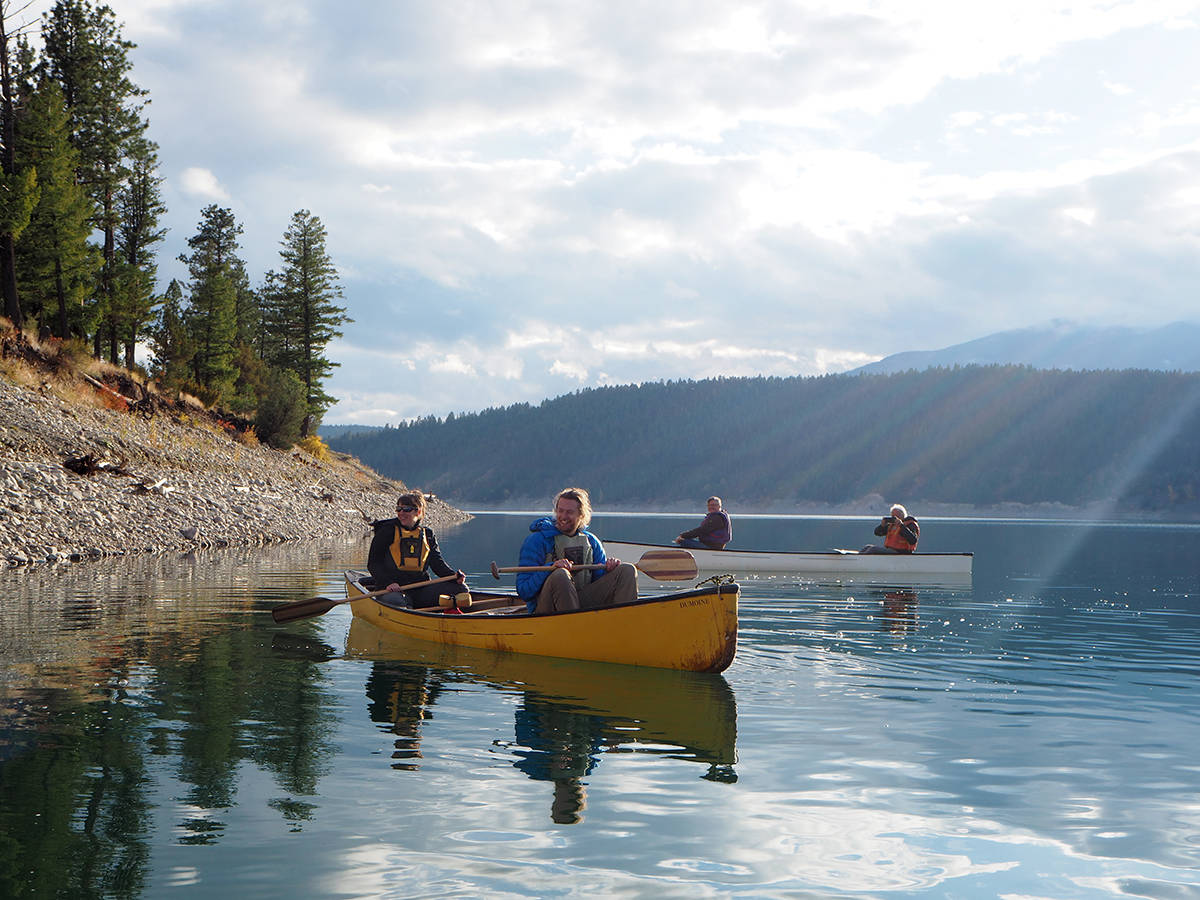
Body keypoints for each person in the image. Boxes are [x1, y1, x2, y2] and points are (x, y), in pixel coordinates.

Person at [517, 487, 637, 614]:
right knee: (560, 575)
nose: (563, 516)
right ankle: (573, 627)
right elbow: (524, 591)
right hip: (546, 609)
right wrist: (550, 568)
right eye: (560, 511)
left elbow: (598, 581)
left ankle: (623, 623)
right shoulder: (536, 541)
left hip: (580, 603)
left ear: (581, 515)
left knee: (627, 570)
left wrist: (609, 569)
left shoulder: (592, 542)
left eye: (569, 512)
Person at [367, 490, 467, 608]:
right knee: (399, 602)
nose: (401, 513)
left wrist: (454, 576)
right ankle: (409, 610)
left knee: (461, 589)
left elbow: (437, 564)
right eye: (399, 509)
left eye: (407, 509)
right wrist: (388, 583)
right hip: (392, 590)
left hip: (421, 589)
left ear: (418, 511)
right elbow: (374, 563)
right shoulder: (386, 531)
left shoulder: (428, 534)